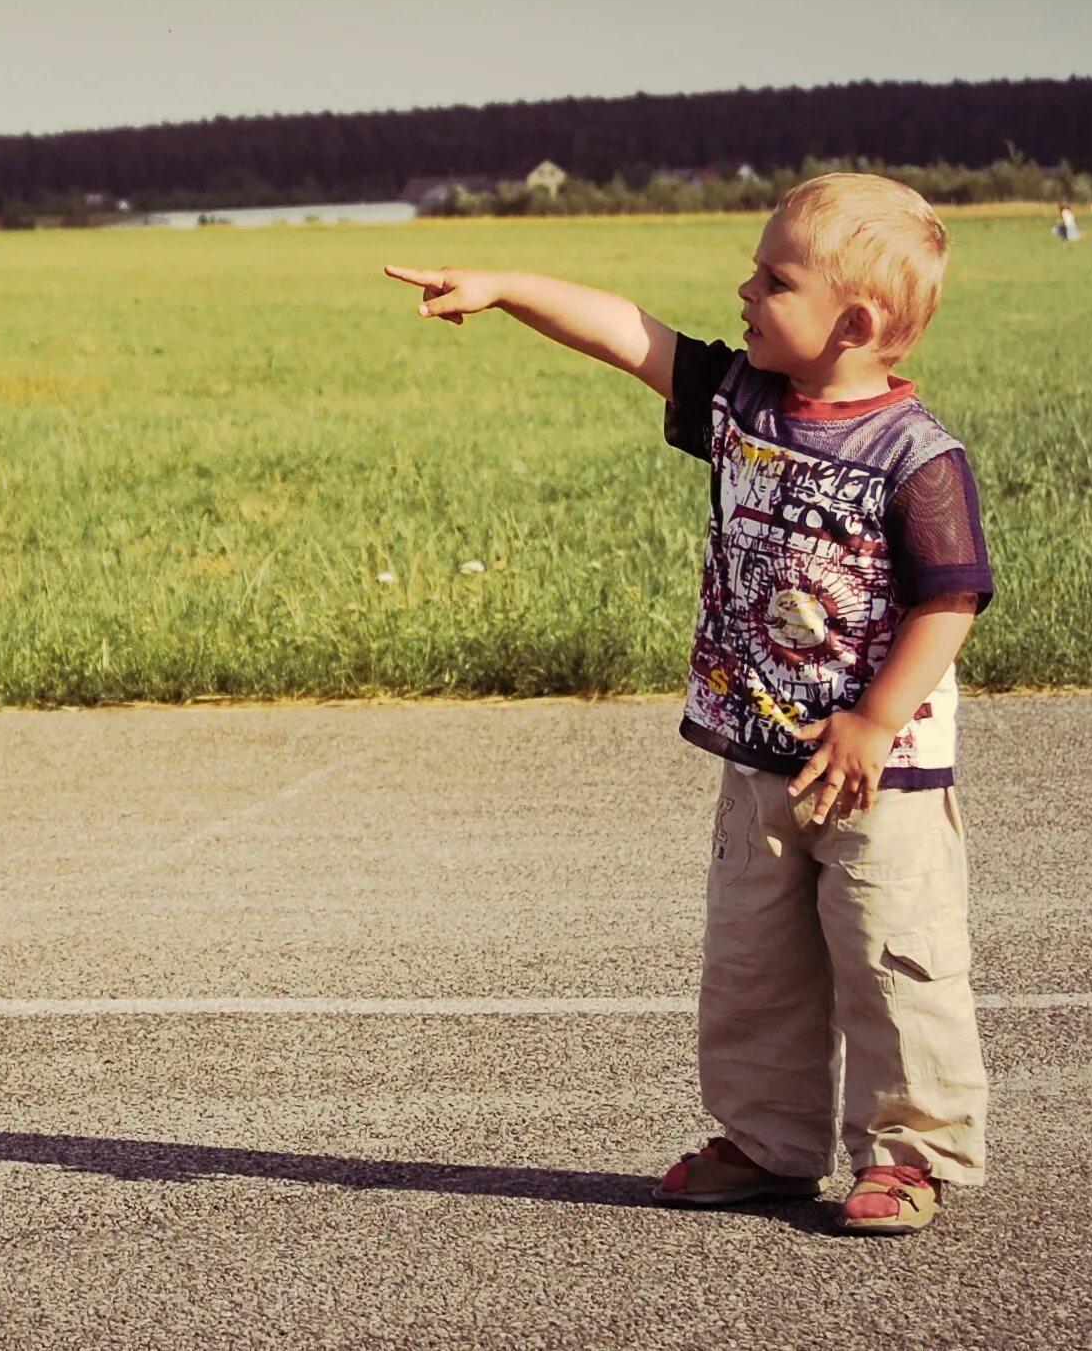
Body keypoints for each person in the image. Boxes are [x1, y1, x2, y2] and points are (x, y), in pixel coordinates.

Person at [385, 172, 994, 1236]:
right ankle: (768, 1144)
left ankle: (908, 1152)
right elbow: (628, 333)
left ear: (852, 322)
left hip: (876, 769)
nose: (745, 288)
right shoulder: (738, 402)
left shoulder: (915, 455)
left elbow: (950, 599)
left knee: (894, 957)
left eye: (774, 277)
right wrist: (502, 283)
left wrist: (874, 716)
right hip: (758, 754)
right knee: (753, 963)